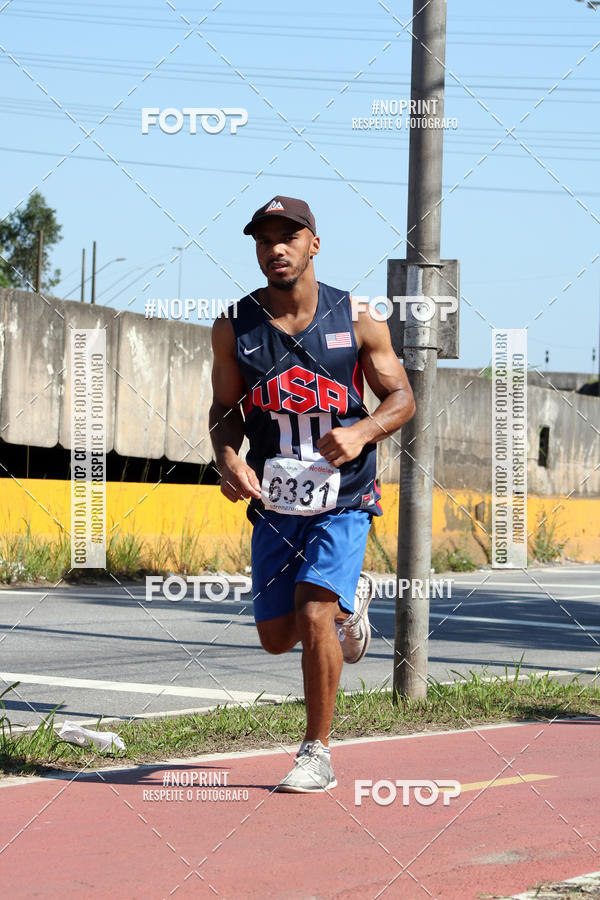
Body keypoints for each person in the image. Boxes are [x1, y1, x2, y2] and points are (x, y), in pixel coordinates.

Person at [209, 195, 415, 792]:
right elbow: (225, 410)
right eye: (265, 239)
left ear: (313, 245)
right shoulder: (235, 326)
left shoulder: (358, 318)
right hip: (276, 500)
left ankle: (316, 751)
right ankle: (352, 602)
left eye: (289, 237)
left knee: (313, 612)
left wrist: (362, 430)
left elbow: (401, 398)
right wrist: (227, 456)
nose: (276, 248)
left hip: (345, 495)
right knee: (276, 638)